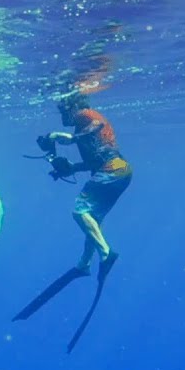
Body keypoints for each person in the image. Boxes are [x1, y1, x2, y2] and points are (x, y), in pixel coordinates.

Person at [45, 92, 132, 274]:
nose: (62, 116)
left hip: (112, 169)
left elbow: (96, 125)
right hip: (121, 170)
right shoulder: (80, 125)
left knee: (80, 212)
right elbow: (93, 161)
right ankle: (85, 263)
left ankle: (106, 254)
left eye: (63, 111)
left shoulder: (84, 114)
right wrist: (72, 168)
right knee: (93, 219)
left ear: (72, 107)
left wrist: (70, 138)